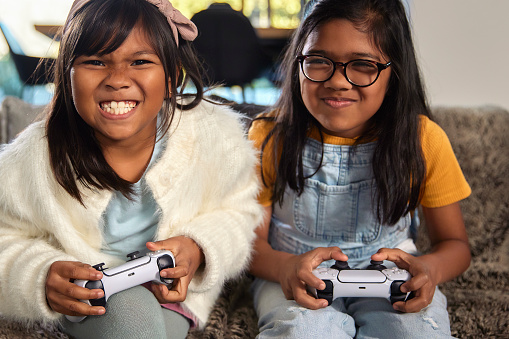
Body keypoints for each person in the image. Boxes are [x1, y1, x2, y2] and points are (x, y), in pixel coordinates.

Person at [0, 0, 262, 338]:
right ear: (67, 75)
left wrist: (198, 247)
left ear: (171, 78)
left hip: (173, 298)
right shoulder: (33, 159)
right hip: (86, 299)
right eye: (95, 61)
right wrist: (40, 274)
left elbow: (238, 214)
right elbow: (5, 238)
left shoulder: (215, 139)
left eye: (140, 61)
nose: (118, 79)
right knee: (131, 315)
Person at [248, 0, 471, 338]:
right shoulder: (268, 136)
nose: (338, 81)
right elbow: (250, 246)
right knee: (302, 331)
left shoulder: (424, 139)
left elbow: (455, 244)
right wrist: (285, 267)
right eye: (319, 61)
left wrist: (430, 268)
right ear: (298, 62)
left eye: (363, 65)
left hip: (390, 278)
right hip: (293, 274)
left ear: (394, 72)